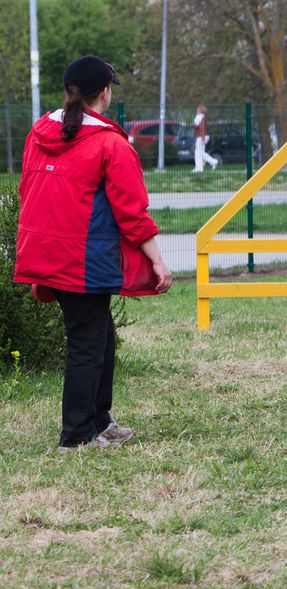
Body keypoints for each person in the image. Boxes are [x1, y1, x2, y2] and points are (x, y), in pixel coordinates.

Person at [14, 55, 173, 451]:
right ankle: (77, 435)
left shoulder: (39, 132)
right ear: (104, 93)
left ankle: (100, 421)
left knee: (100, 336)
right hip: (84, 260)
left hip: (48, 253)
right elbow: (132, 213)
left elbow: (27, 192)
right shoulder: (108, 143)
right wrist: (157, 259)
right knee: (87, 343)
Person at [193, 104, 219, 172]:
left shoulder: (200, 118)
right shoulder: (201, 118)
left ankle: (199, 168)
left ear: (200, 110)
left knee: (198, 153)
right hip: (202, 137)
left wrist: (203, 139)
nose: (196, 110)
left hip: (201, 137)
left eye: (197, 109)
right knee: (201, 153)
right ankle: (212, 162)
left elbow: (202, 129)